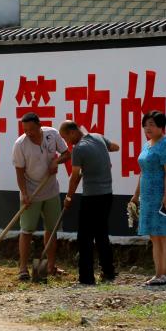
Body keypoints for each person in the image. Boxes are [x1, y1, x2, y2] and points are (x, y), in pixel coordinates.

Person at [12, 112, 71, 281]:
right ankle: (23, 268)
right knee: (27, 230)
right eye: (25, 130)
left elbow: (67, 154)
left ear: (39, 126)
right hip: (31, 192)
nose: (28, 133)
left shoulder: (52, 134)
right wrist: (24, 194)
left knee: (51, 230)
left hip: (51, 190)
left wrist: (56, 162)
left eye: (31, 129)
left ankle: (51, 266)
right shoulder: (20, 145)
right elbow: (19, 172)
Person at [59, 121, 119, 285]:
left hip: (92, 197)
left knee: (85, 237)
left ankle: (86, 277)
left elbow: (75, 176)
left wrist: (68, 197)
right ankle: (108, 272)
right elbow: (115, 147)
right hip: (107, 194)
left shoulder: (79, 149)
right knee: (101, 234)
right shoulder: (98, 137)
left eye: (65, 137)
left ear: (72, 132)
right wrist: (101, 158)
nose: (66, 142)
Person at [130, 110, 166, 286]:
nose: (147, 128)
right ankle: (158, 274)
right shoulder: (147, 145)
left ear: (161, 126)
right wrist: (136, 195)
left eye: (152, 124)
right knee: (154, 235)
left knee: (165, 234)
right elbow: (142, 172)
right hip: (148, 196)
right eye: (145, 124)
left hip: (162, 195)